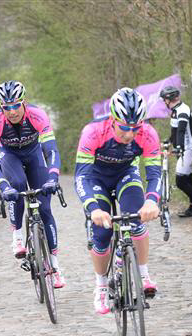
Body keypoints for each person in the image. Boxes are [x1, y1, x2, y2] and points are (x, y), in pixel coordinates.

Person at [75, 88, 161, 314]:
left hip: (126, 175)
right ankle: (101, 286)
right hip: (96, 178)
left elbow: (154, 173)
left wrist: (152, 201)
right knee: (101, 232)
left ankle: (143, 274)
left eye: (135, 127)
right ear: (113, 119)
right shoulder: (93, 132)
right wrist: (92, 208)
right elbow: (81, 176)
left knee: (136, 217)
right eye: (124, 127)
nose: (130, 134)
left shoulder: (148, 133)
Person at [0, 80, 65, 288]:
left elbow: (52, 150)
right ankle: (17, 235)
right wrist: (3, 186)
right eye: (6, 107)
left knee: (45, 209)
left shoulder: (38, 115)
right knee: (17, 185)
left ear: (23, 102)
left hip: (34, 153)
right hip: (9, 155)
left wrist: (53, 177)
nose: (11, 111)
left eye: (15, 106)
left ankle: (55, 266)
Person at [159, 85, 192, 219]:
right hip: (186, 148)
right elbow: (175, 132)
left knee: (180, 181)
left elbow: (181, 130)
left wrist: (179, 147)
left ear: (169, 99)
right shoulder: (176, 110)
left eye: (164, 99)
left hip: (189, 149)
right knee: (189, 178)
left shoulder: (182, 111)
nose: (164, 102)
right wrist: (169, 142)